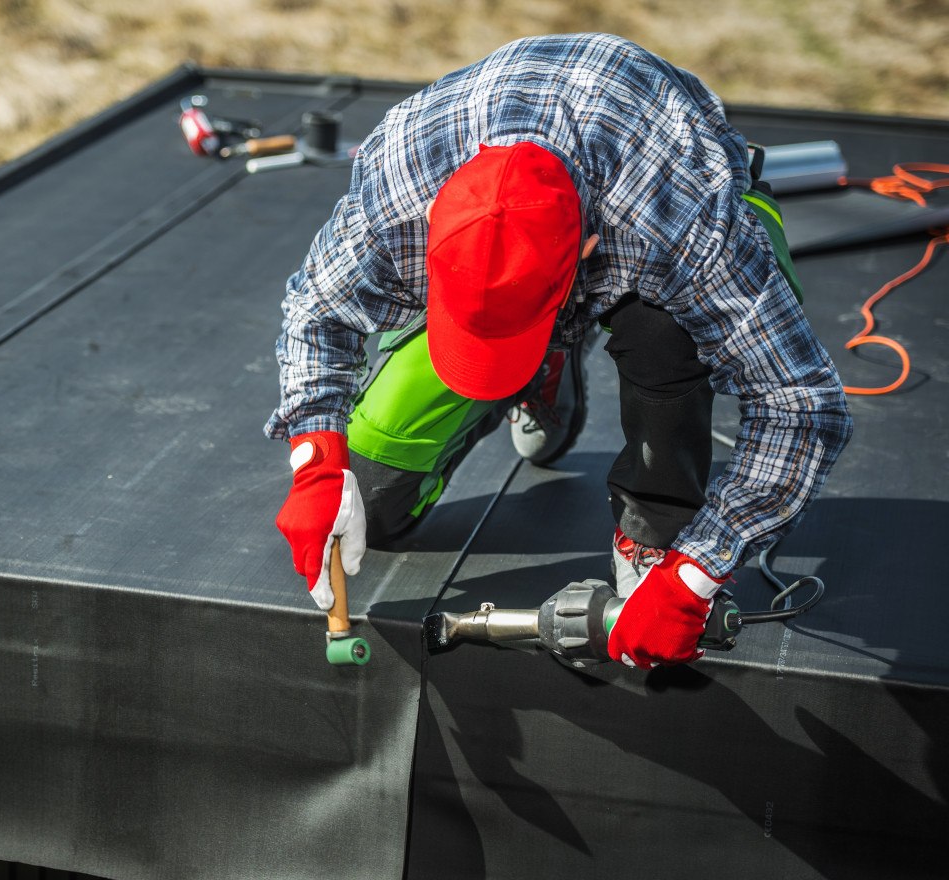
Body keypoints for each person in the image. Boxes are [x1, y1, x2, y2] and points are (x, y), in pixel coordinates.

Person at [266, 34, 852, 669]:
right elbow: (316, 311)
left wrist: (694, 573)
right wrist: (319, 461)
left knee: (664, 332)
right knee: (373, 507)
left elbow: (802, 403)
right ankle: (543, 361)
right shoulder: (401, 182)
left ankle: (652, 529)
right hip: (534, 212)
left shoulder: (680, 218)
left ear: (583, 254)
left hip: (646, 184)